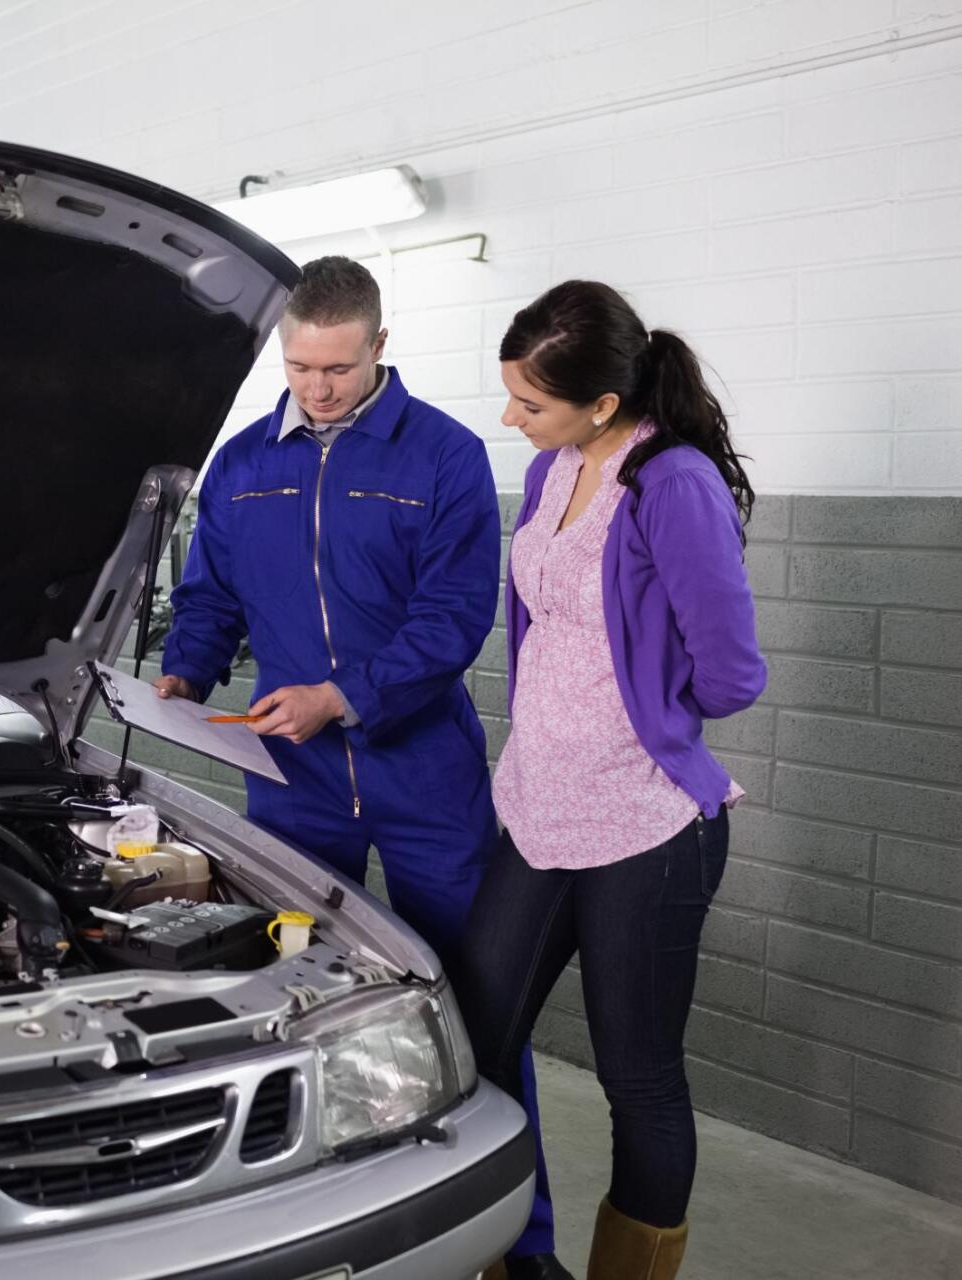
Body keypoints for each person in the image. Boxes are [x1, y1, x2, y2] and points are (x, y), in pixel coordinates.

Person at [156, 256, 562, 1272]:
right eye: (299, 367)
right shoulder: (244, 464)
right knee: (300, 1011)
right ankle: (316, 1225)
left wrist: (344, 697)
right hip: (292, 790)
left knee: (478, 1006)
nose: (318, 387)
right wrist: (181, 676)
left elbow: (453, 618)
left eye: (337, 367)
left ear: (379, 347)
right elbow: (210, 597)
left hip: (423, 778)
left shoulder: (446, 457)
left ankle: (525, 1242)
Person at [457, 280, 764, 1280]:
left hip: (644, 825)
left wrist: (634, 703)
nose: (512, 418)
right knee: (476, 1038)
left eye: (530, 403)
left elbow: (730, 673)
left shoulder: (671, 483)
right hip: (538, 813)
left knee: (638, 1077)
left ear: (601, 403)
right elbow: (542, 622)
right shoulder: (555, 469)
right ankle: (516, 1256)